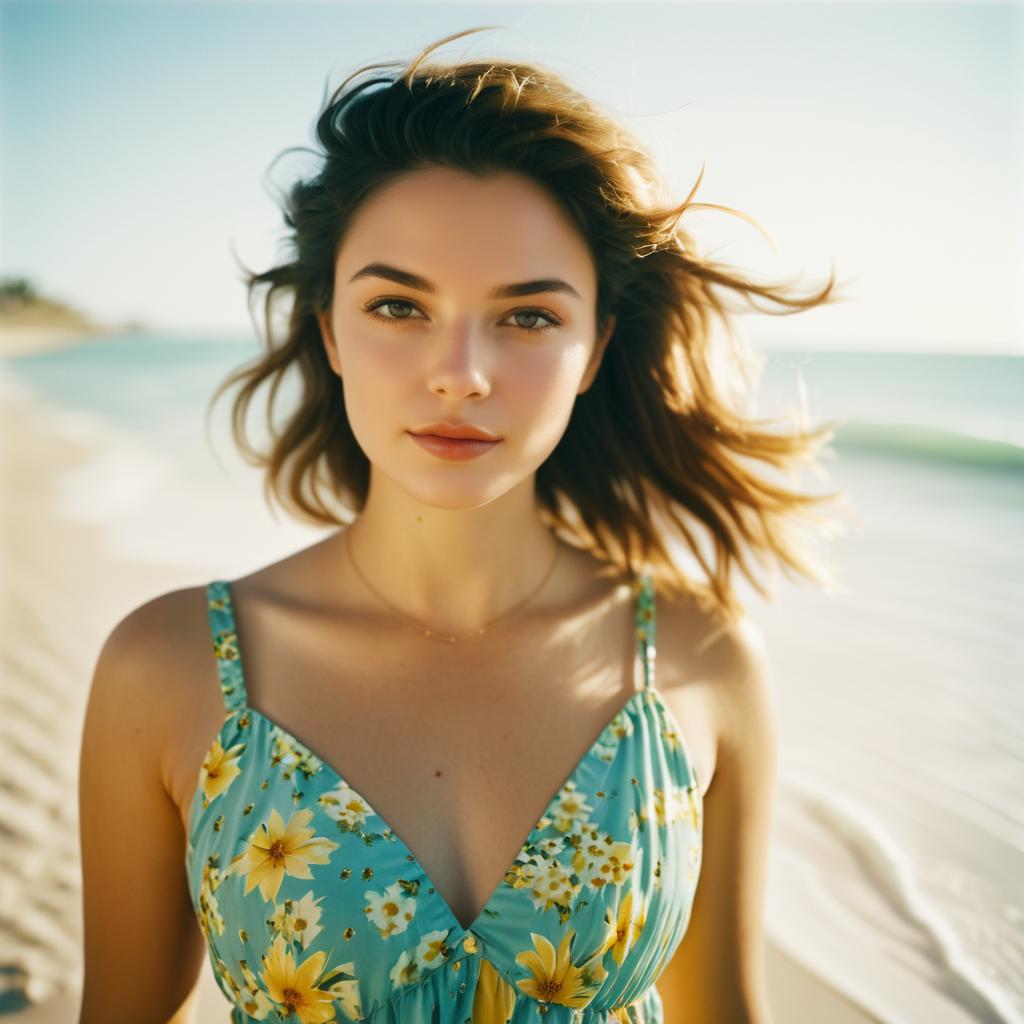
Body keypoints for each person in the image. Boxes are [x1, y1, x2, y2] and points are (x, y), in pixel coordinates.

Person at [77, 26, 850, 1024]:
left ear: (594, 346)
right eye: (398, 305)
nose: (461, 372)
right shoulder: (173, 666)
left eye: (527, 316)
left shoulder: (697, 662)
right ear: (329, 331)